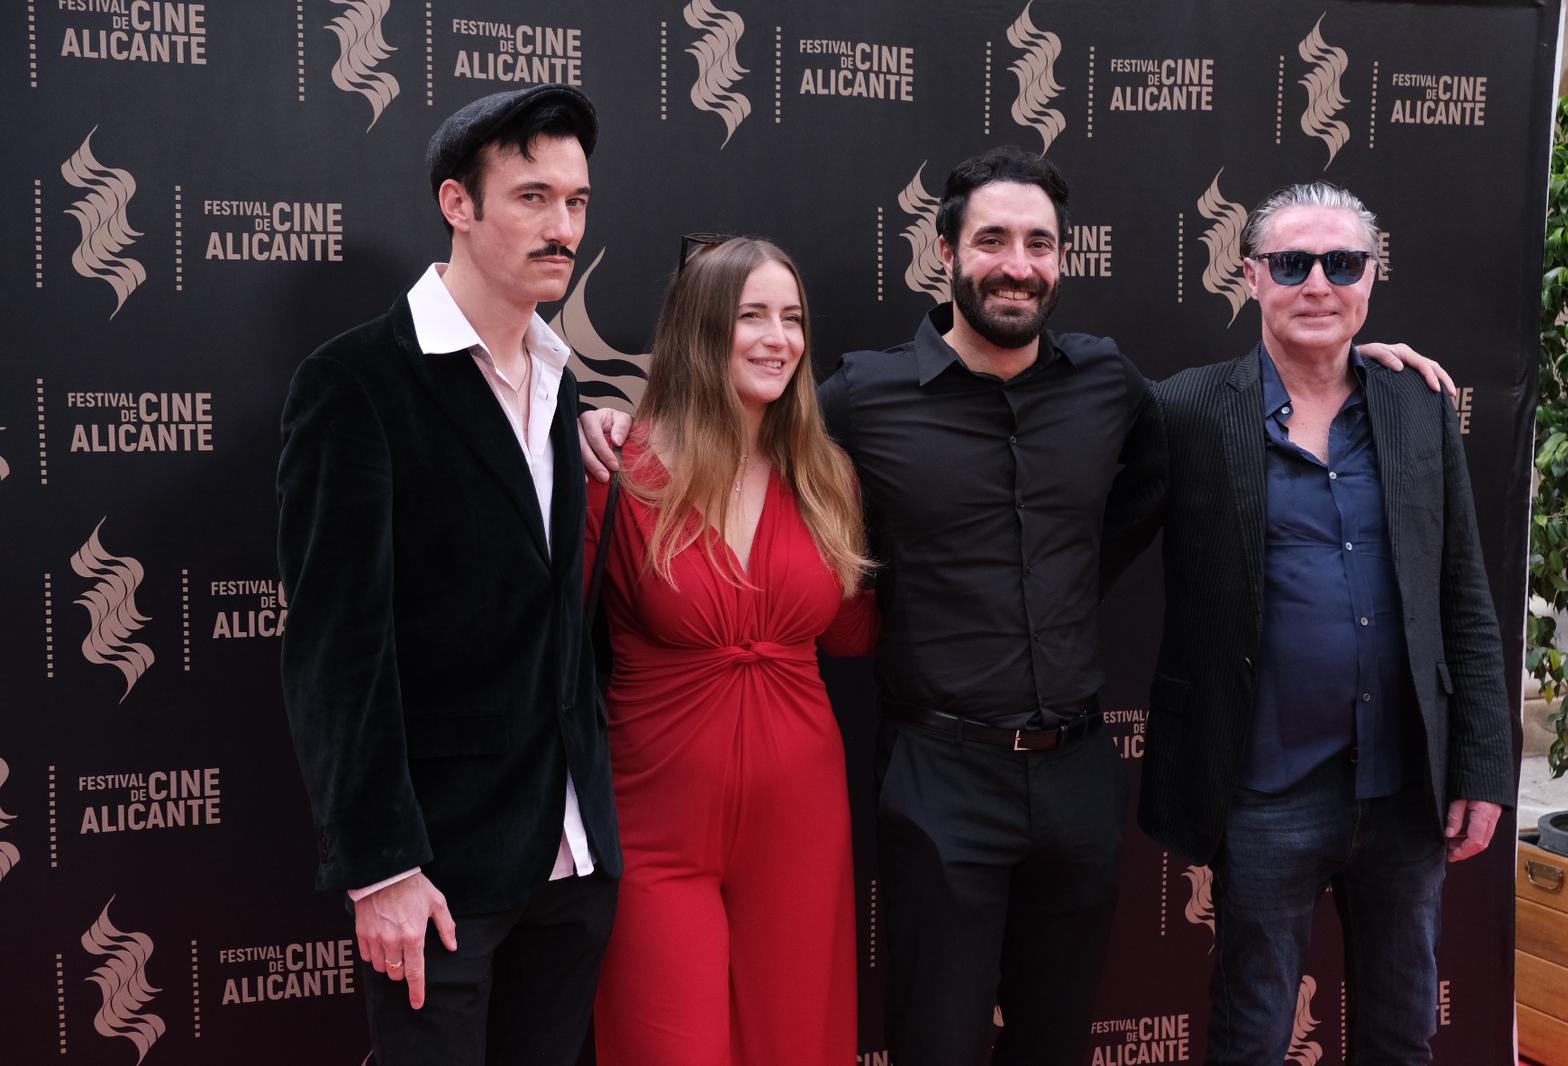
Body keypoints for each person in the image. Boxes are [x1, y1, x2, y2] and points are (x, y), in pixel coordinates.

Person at [579, 149, 1448, 1065]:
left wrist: (1346, 364)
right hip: (934, 777)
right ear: (946, 251)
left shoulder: (1108, 384)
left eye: (1040, 243)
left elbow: (1224, 417)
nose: (1018, 262)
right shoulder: (860, 399)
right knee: (935, 1042)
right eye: (992, 239)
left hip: (1076, 778)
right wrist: (621, 424)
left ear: (1063, 261)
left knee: (1054, 1042)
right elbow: (740, 431)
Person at [1130, 182, 1513, 1064]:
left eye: (1341, 264)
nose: (1317, 283)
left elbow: (1465, 597)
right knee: (1253, 1036)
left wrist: (1484, 768)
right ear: (1252, 274)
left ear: (1370, 280)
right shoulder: (1188, 410)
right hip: (1263, 791)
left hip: (1404, 790)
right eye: (1293, 262)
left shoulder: (1418, 406)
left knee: (1401, 1031)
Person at [276, 85, 620, 1066]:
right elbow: (337, 654)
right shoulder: (355, 385)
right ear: (456, 204)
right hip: (439, 877)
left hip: (573, 860)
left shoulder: (559, 384)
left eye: (578, 202)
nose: (563, 229)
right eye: (531, 198)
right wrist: (380, 866)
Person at [584, 236, 877, 1066]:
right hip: (655, 833)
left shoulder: (828, 478)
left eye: (792, 319)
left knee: (796, 1046)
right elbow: (548, 648)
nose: (777, 338)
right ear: (698, 331)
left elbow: (856, 633)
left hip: (802, 823)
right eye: (751, 315)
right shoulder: (618, 470)